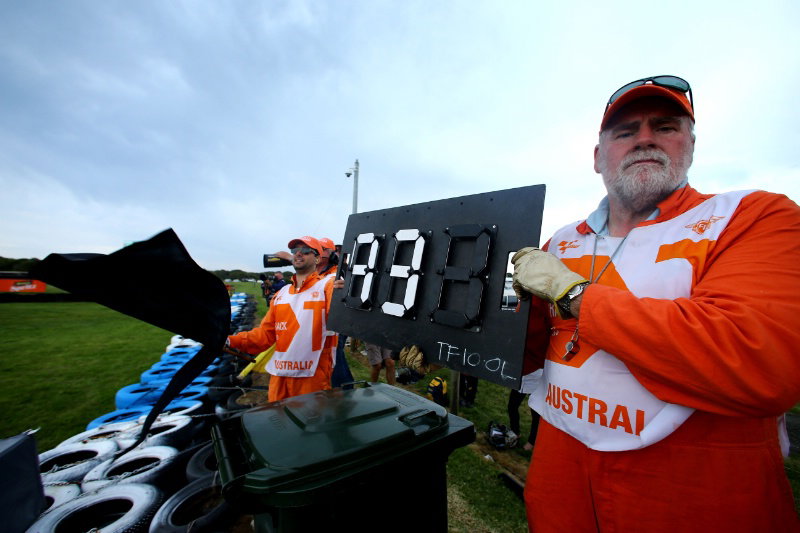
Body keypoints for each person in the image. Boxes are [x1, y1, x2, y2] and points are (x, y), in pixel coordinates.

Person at [512, 75, 800, 531]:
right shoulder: (561, 241)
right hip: (559, 487)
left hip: (699, 498)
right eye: (625, 132)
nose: (644, 139)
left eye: (665, 127)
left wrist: (574, 297)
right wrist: (445, 345)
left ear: (690, 145)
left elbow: (757, 358)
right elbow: (526, 353)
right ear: (596, 157)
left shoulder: (754, 216)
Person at [227, 236, 336, 402]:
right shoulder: (281, 294)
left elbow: (339, 301)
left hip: (311, 378)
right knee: (277, 423)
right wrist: (229, 341)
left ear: (317, 258)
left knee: (308, 425)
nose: (299, 254)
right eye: (295, 251)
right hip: (279, 377)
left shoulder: (327, 284)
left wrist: (344, 289)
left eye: (306, 251)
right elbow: (264, 336)